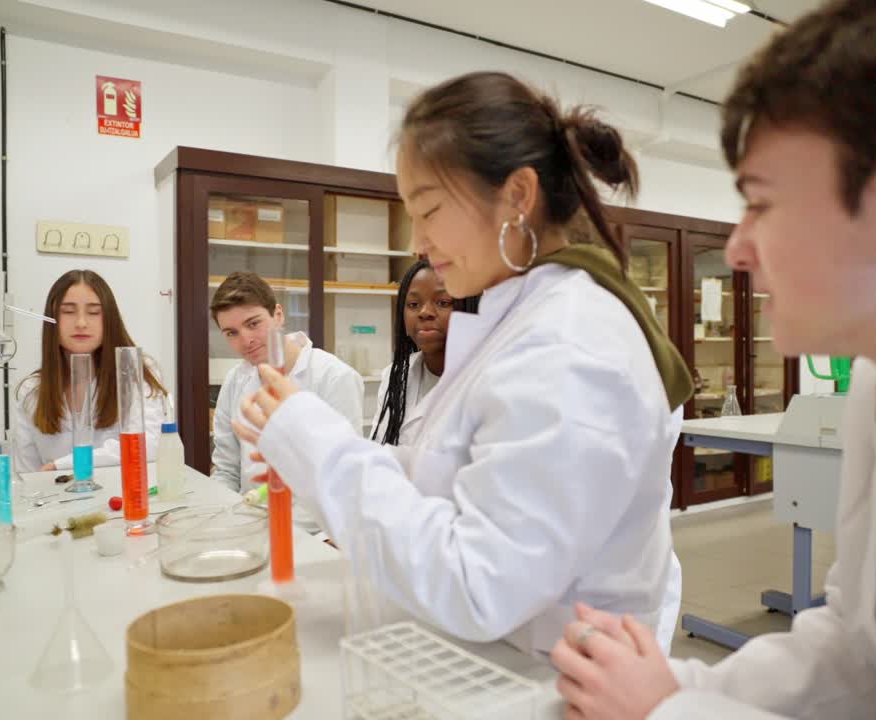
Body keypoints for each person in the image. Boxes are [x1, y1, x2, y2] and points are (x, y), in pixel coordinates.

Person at [552, 1, 876, 718]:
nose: (739, 250)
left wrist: (670, 715)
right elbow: (864, 650)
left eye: (761, 203)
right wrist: (685, 690)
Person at [236, 71, 693, 657]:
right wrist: (306, 451)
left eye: (428, 211)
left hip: (554, 675)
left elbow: (483, 585)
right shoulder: (523, 318)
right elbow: (458, 476)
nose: (418, 243)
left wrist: (320, 447)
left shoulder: (570, 342)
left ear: (518, 196)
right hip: (507, 658)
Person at [210, 270, 364, 493]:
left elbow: (346, 478)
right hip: (248, 518)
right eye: (231, 333)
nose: (246, 340)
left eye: (253, 324)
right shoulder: (235, 380)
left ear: (278, 314)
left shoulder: (334, 378)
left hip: (311, 526)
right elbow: (226, 470)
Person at [13, 270, 170, 474]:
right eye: (68, 312)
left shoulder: (135, 372)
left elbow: (146, 444)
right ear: (52, 320)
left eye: (94, 312)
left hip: (122, 500)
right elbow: (26, 473)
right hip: (56, 501)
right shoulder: (31, 389)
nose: (81, 323)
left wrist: (63, 466)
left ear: (110, 319)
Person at [370, 258, 479, 445]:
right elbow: (378, 449)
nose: (425, 312)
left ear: (469, 311)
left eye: (443, 302)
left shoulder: (484, 379)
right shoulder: (395, 377)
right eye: (413, 304)